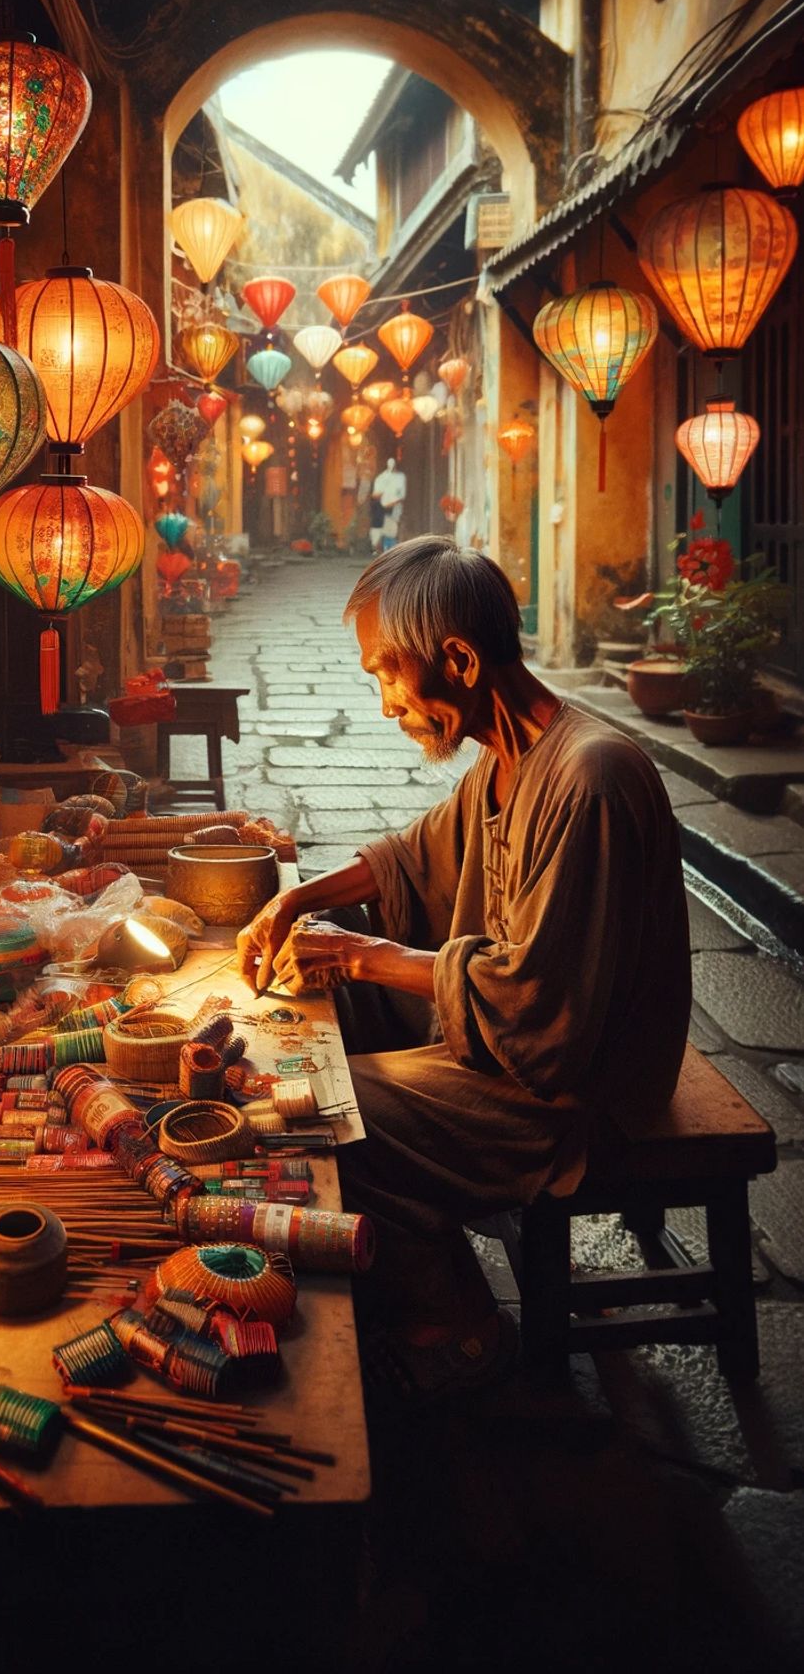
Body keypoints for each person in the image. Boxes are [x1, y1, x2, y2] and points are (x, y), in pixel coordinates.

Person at [236, 536, 691, 1394]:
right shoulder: (505, 759)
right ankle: (420, 1254)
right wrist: (298, 902)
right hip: (525, 1041)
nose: (383, 707)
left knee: (320, 1114)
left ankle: (464, 1332)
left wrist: (364, 955)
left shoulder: (588, 777)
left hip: (571, 1091)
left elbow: (538, 1014)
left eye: (386, 676)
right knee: (315, 1010)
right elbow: (413, 860)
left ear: (458, 658)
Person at [371, 457, 407, 551]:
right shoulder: (381, 477)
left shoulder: (400, 477)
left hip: (395, 508)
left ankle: (393, 550)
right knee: (386, 530)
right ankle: (385, 550)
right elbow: (375, 494)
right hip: (383, 507)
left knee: (393, 530)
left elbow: (401, 495)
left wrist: (394, 502)